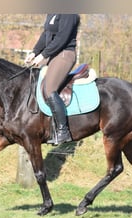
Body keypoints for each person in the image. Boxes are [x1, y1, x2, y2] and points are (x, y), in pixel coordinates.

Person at [25, 14, 80, 145]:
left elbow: (62, 38)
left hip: (65, 54)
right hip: (53, 54)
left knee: (49, 89)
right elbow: (46, 34)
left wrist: (43, 55)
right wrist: (34, 52)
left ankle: (63, 131)